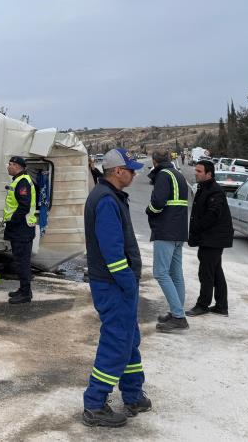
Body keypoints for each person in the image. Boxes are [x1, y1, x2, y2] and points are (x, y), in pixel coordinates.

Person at [80, 148, 151, 428]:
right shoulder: (106, 200)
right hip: (114, 285)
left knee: (129, 339)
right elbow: (112, 252)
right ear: (117, 171)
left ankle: (133, 394)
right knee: (116, 342)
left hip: (117, 284)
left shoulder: (109, 196)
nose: (134, 173)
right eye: (131, 169)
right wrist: (128, 284)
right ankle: (95, 404)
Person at [146, 149, 190, 333]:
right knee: (175, 273)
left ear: (154, 161)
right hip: (179, 230)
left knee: (161, 273)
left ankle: (178, 317)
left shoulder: (163, 175)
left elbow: (158, 202)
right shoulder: (178, 174)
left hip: (166, 231)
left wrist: (149, 211)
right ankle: (176, 312)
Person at [186, 159, 234, 318]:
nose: (196, 173)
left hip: (213, 239)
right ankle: (221, 306)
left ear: (209, 174)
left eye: (199, 171)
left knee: (206, 272)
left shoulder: (214, 191)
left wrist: (197, 228)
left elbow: (212, 215)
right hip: (210, 238)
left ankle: (202, 304)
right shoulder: (205, 188)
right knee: (216, 271)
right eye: (196, 170)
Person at [3, 156, 37, 304]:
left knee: (22, 261)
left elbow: (23, 206)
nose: (8, 167)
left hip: (21, 228)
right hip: (20, 228)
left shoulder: (23, 182)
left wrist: (12, 221)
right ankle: (24, 289)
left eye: (10, 164)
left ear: (17, 166)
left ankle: (25, 294)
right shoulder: (19, 180)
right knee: (19, 260)